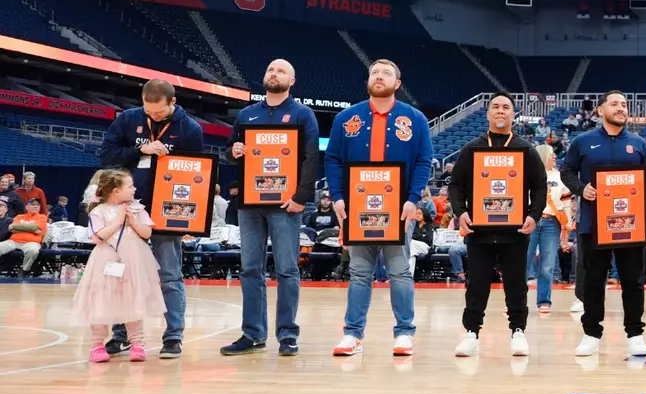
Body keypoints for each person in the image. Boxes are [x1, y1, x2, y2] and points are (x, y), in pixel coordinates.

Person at [324, 59, 434, 358]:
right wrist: (337, 196)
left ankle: (404, 333)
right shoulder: (347, 119)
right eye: (375, 72)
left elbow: (424, 160)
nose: (380, 76)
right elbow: (332, 159)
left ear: (398, 83)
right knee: (359, 272)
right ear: (368, 80)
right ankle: (352, 334)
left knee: (399, 271)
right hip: (357, 206)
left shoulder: (415, 119)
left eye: (387, 73)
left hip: (400, 207)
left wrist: (413, 199)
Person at [97, 78, 206, 360]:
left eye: (158, 113)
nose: (153, 116)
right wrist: (139, 151)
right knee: (123, 276)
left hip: (166, 214)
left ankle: (173, 336)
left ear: (173, 103)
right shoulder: (127, 119)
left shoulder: (190, 129)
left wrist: (190, 221)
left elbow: (197, 176)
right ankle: (121, 336)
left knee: (170, 275)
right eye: (148, 111)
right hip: (127, 210)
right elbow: (106, 157)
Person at [222, 60, 319, 358]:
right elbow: (231, 151)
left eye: (280, 71)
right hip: (250, 203)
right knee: (250, 268)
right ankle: (252, 333)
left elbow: (311, 157)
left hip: (286, 203)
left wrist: (302, 196)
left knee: (287, 269)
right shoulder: (248, 114)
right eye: (270, 70)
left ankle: (287, 333)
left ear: (292, 80)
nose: (273, 73)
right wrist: (234, 152)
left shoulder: (303, 114)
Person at [561, 90, 646, 357]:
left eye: (624, 105)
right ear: (601, 110)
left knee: (633, 280)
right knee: (593, 281)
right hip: (593, 224)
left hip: (631, 224)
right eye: (614, 104)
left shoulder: (638, 144)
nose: (621, 108)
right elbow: (566, 171)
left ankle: (635, 333)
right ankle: (591, 333)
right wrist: (582, 189)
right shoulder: (583, 141)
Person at [450, 93, 547, 358]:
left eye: (506, 107)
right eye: (496, 107)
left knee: (516, 284)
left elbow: (539, 187)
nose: (501, 111)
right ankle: (471, 333)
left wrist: (533, 215)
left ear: (513, 114)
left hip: (515, 231)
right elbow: (456, 185)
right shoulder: (472, 149)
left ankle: (518, 331)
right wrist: (460, 213)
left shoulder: (526, 149)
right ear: (488, 114)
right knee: (477, 284)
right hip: (479, 231)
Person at [75, 169, 164, 363]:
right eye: (130, 186)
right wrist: (117, 222)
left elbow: (147, 233)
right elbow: (98, 237)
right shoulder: (98, 211)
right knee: (101, 298)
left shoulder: (137, 209)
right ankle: (97, 344)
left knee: (132, 298)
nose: (134, 189)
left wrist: (132, 220)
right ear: (116, 191)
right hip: (106, 258)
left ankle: (137, 343)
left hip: (134, 258)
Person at [533, 145, 573, 314]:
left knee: (547, 265)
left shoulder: (560, 177)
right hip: (531, 222)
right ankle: (515, 301)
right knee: (522, 263)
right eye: (551, 155)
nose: (555, 157)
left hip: (551, 223)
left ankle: (544, 301)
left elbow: (566, 202)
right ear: (543, 156)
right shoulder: (529, 174)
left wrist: (568, 222)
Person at [0, 197, 48, 273]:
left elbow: (37, 230)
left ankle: (25, 270)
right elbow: (11, 229)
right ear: (26, 207)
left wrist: (18, 227)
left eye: (37, 205)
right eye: (33, 204)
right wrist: (32, 229)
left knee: (33, 250)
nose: (35, 206)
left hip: (32, 242)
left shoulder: (42, 217)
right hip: (14, 241)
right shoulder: (19, 217)